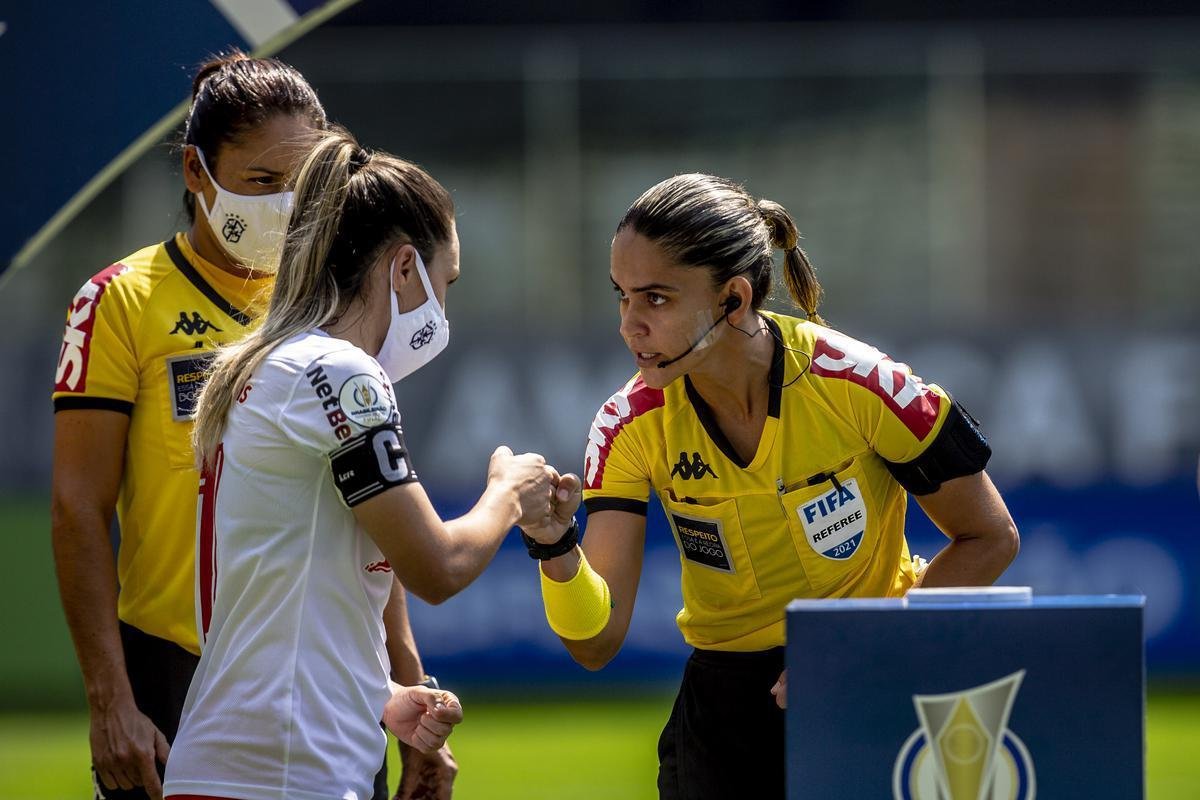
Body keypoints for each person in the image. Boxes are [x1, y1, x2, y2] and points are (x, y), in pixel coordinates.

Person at [520, 174, 1021, 799]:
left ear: (733, 298)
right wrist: (554, 545)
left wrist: (859, 653)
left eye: (656, 300)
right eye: (621, 297)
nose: (629, 326)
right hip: (723, 719)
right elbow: (596, 642)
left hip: (869, 681)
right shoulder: (626, 427)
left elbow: (990, 537)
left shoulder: (864, 386)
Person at [50, 54, 454, 800]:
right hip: (174, 670)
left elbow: (371, 507)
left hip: (324, 681)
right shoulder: (120, 300)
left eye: (301, 186)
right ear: (196, 174)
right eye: (262, 184)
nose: (284, 205)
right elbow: (78, 509)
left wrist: (407, 683)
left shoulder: (333, 306)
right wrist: (111, 702)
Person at [161, 126, 559, 800]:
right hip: (280, 774)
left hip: (259, 762)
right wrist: (509, 493)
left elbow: (297, 587)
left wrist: (381, 697)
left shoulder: (279, 364)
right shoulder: (338, 371)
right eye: (445, 280)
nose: (444, 306)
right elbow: (437, 567)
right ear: (403, 268)